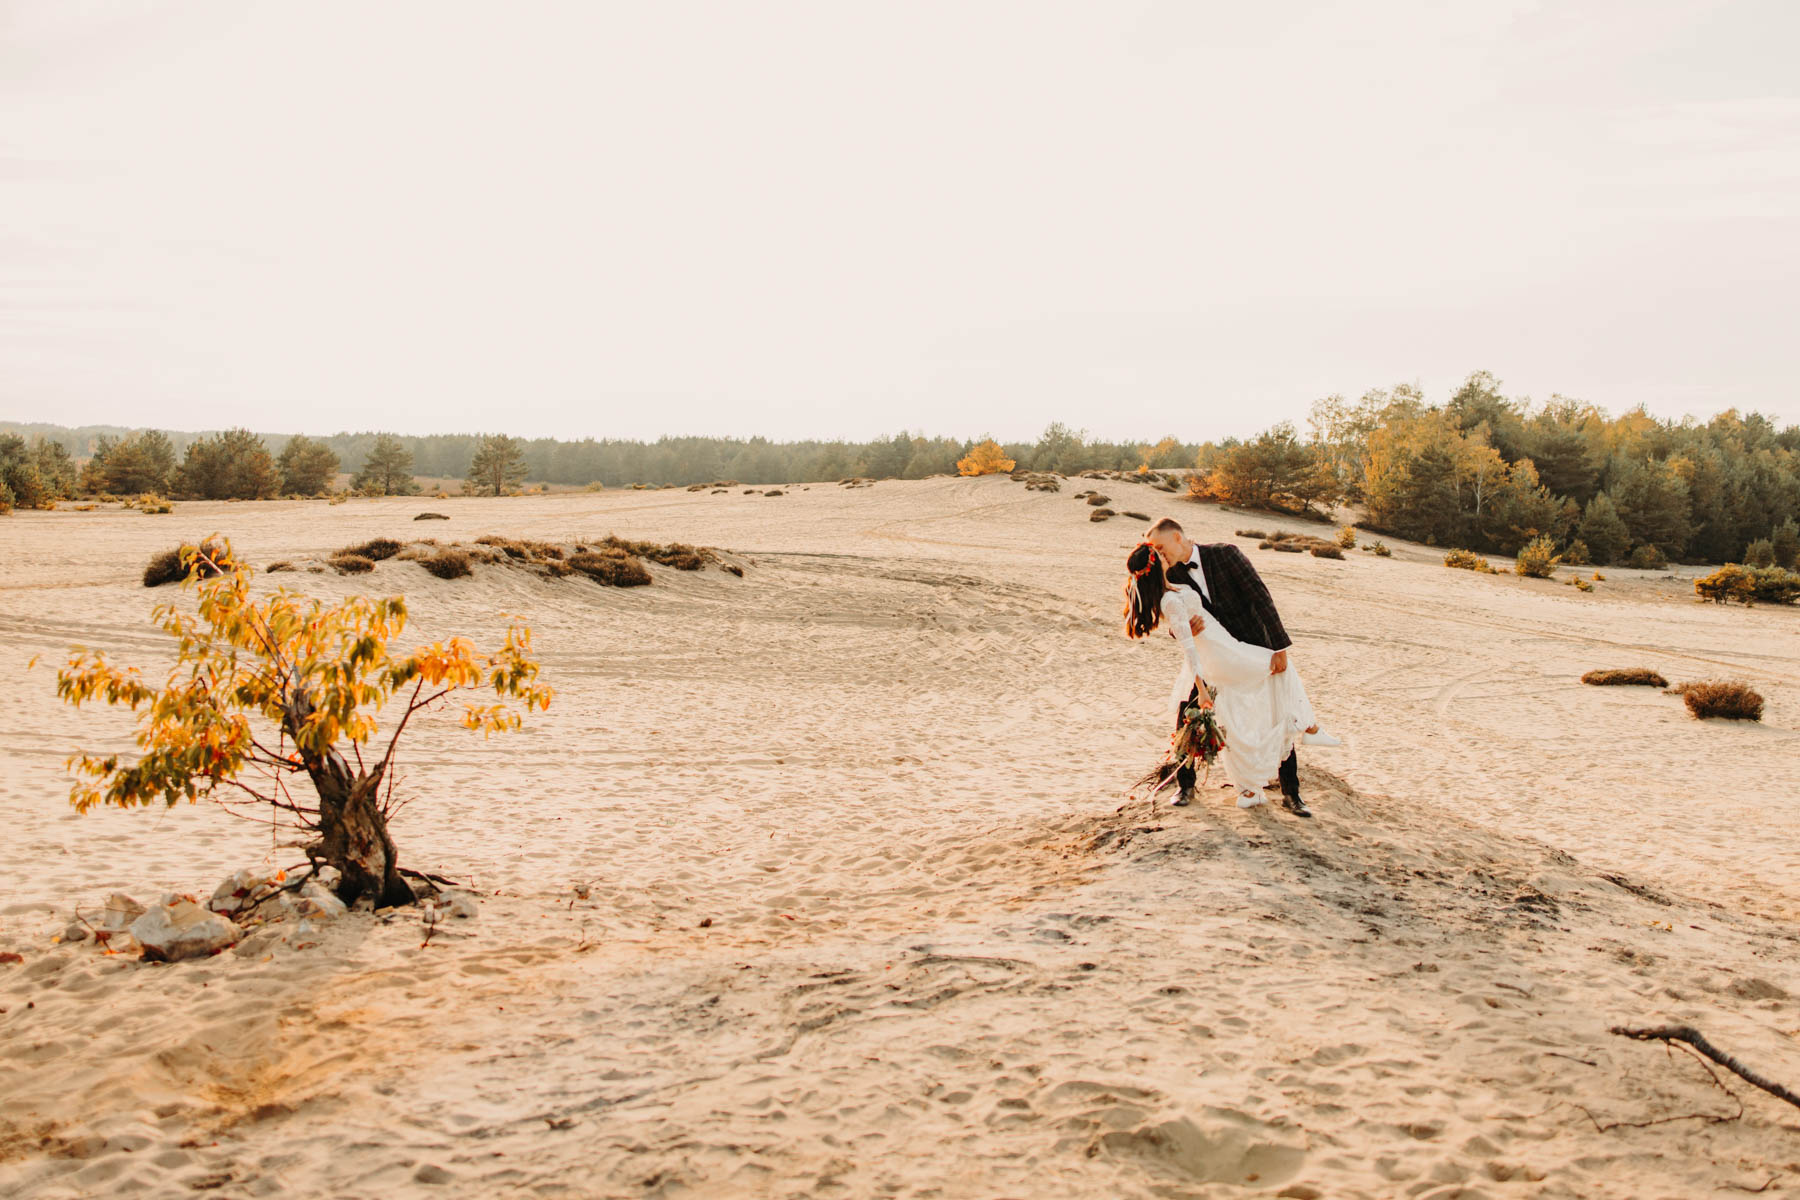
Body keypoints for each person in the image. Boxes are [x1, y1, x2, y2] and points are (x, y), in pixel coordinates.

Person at [1127, 519, 1337, 816]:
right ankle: (1184, 785)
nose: (1159, 554)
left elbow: (1260, 596)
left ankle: (1292, 792)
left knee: (1278, 711)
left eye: (1161, 547)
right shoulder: (1170, 574)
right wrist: (1182, 629)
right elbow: (1175, 620)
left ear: (1177, 537)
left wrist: (1279, 647)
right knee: (1189, 713)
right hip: (1213, 657)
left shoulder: (1226, 554)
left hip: (1254, 646)